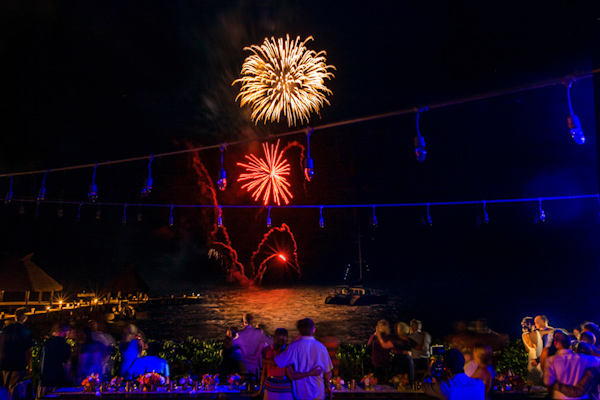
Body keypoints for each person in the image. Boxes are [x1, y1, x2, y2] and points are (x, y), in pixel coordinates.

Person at [257, 328, 323, 400]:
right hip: (273, 386)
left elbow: (273, 367)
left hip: (282, 385)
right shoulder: (271, 352)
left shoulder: (288, 352)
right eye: (280, 336)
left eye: (283, 336)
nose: (281, 338)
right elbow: (264, 372)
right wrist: (261, 389)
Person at [275, 319, 333, 400]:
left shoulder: (293, 347)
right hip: (318, 392)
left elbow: (279, 362)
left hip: (300, 393)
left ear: (299, 330)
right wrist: (328, 387)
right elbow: (327, 372)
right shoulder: (321, 347)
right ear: (313, 330)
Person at [543, 330, 600, 399]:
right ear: (570, 344)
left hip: (560, 397)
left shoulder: (551, 360)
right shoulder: (584, 359)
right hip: (582, 398)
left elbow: (548, 382)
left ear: (555, 343)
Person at [0, 307, 33, 398]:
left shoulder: (6, 330)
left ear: (15, 317)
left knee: (6, 386)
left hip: (5, 362)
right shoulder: (26, 331)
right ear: (25, 318)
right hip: (18, 363)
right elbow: (28, 350)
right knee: (14, 387)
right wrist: (29, 366)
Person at [233, 314, 273, 380]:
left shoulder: (239, 335)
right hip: (255, 365)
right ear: (252, 321)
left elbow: (232, 347)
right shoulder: (259, 333)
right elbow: (270, 342)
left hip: (243, 366)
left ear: (243, 322)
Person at [38, 323, 71, 398]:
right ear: (63, 331)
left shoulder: (46, 343)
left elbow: (40, 359)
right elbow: (65, 364)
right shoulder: (64, 345)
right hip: (58, 380)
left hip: (44, 380)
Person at [521, 317, 543, 385]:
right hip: (540, 360)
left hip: (531, 360)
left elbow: (527, 350)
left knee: (532, 383)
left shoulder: (523, 335)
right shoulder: (539, 334)